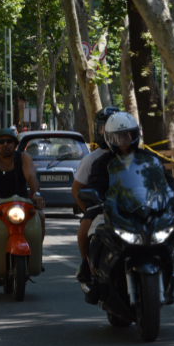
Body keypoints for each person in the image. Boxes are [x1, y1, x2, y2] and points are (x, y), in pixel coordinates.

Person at [77, 112, 174, 293]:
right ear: (109, 138)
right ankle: (87, 265)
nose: (123, 140)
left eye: (126, 135)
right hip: (113, 208)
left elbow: (166, 180)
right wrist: (96, 197)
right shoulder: (102, 163)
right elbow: (96, 185)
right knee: (86, 224)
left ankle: (167, 264)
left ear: (135, 135)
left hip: (145, 208)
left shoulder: (149, 159)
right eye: (118, 136)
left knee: (172, 227)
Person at [72, 107, 119, 284]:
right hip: (101, 206)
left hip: (128, 206)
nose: (107, 132)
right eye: (103, 127)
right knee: (85, 226)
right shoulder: (91, 160)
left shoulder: (132, 156)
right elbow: (76, 190)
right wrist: (89, 211)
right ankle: (86, 263)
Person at [0, 128, 45, 253]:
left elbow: (31, 177)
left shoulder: (24, 158)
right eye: (1, 142)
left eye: (9, 141)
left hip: (22, 202)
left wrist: (36, 194)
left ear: (15, 144)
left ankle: (36, 255)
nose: (5, 144)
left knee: (40, 216)